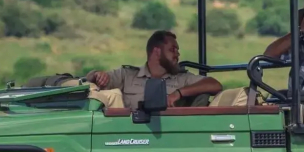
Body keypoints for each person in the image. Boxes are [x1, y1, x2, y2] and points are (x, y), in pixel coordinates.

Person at [85, 30, 223, 110]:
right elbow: (92, 80)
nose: (177, 54)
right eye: (172, 50)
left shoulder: (182, 78)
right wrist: (97, 75)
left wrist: (178, 93)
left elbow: (214, 84)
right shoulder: (127, 75)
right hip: (132, 136)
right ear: (157, 51)